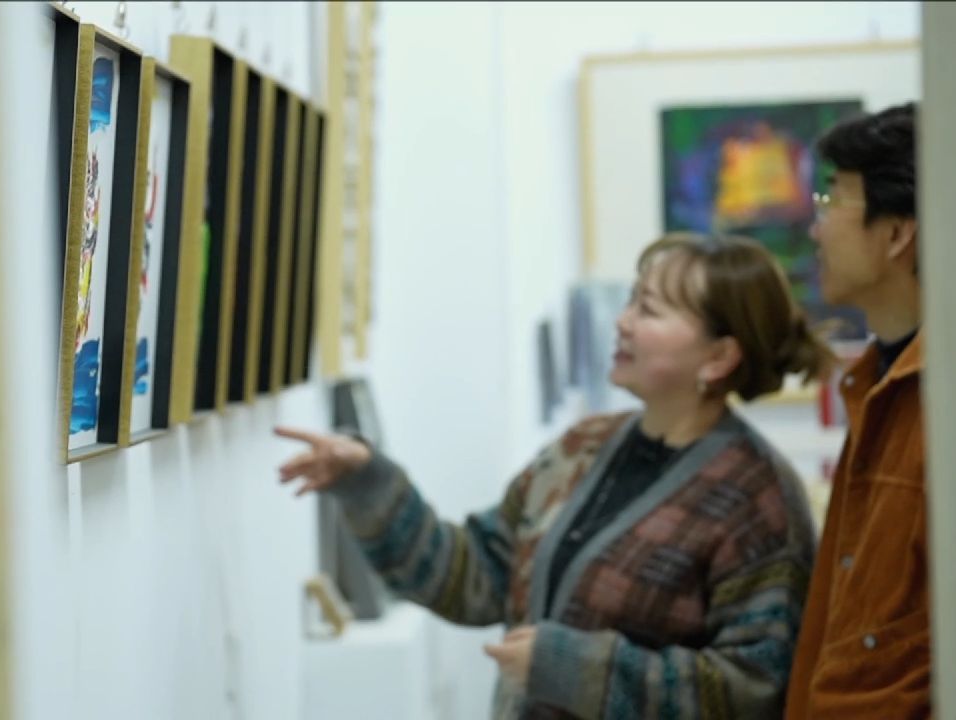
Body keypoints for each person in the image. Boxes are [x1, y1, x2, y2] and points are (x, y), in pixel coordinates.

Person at [277, 233, 829, 718]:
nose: (623, 321)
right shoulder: (583, 445)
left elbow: (754, 690)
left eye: (650, 310)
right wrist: (367, 481)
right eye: (632, 300)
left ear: (718, 357)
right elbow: (476, 576)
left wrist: (573, 669)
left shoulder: (758, 500)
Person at [785, 102, 926, 718]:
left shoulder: (952, 406)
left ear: (896, 233)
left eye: (831, 200)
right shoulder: (875, 382)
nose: (815, 230)